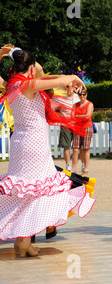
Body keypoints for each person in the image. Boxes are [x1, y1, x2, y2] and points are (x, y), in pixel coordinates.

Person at [0, 48, 95, 257]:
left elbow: (42, 72)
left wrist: (9, 53)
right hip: (35, 142)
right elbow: (58, 79)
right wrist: (75, 77)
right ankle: (24, 240)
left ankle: (22, 241)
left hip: (20, 142)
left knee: (25, 190)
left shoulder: (12, 85)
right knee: (37, 189)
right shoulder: (28, 85)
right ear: (31, 68)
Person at [54, 89, 79, 171]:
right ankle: (68, 165)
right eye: (66, 87)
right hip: (65, 125)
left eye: (70, 87)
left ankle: (75, 167)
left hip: (76, 124)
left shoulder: (78, 97)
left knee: (76, 148)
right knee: (66, 146)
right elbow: (53, 108)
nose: (68, 89)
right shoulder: (61, 98)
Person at [71, 88, 93, 174]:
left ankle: (85, 167)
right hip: (77, 127)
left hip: (87, 127)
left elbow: (88, 116)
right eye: (80, 94)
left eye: (84, 94)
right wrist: (82, 116)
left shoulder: (89, 104)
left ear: (86, 95)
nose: (82, 96)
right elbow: (72, 116)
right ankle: (73, 168)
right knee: (75, 149)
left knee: (85, 149)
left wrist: (77, 116)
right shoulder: (75, 105)